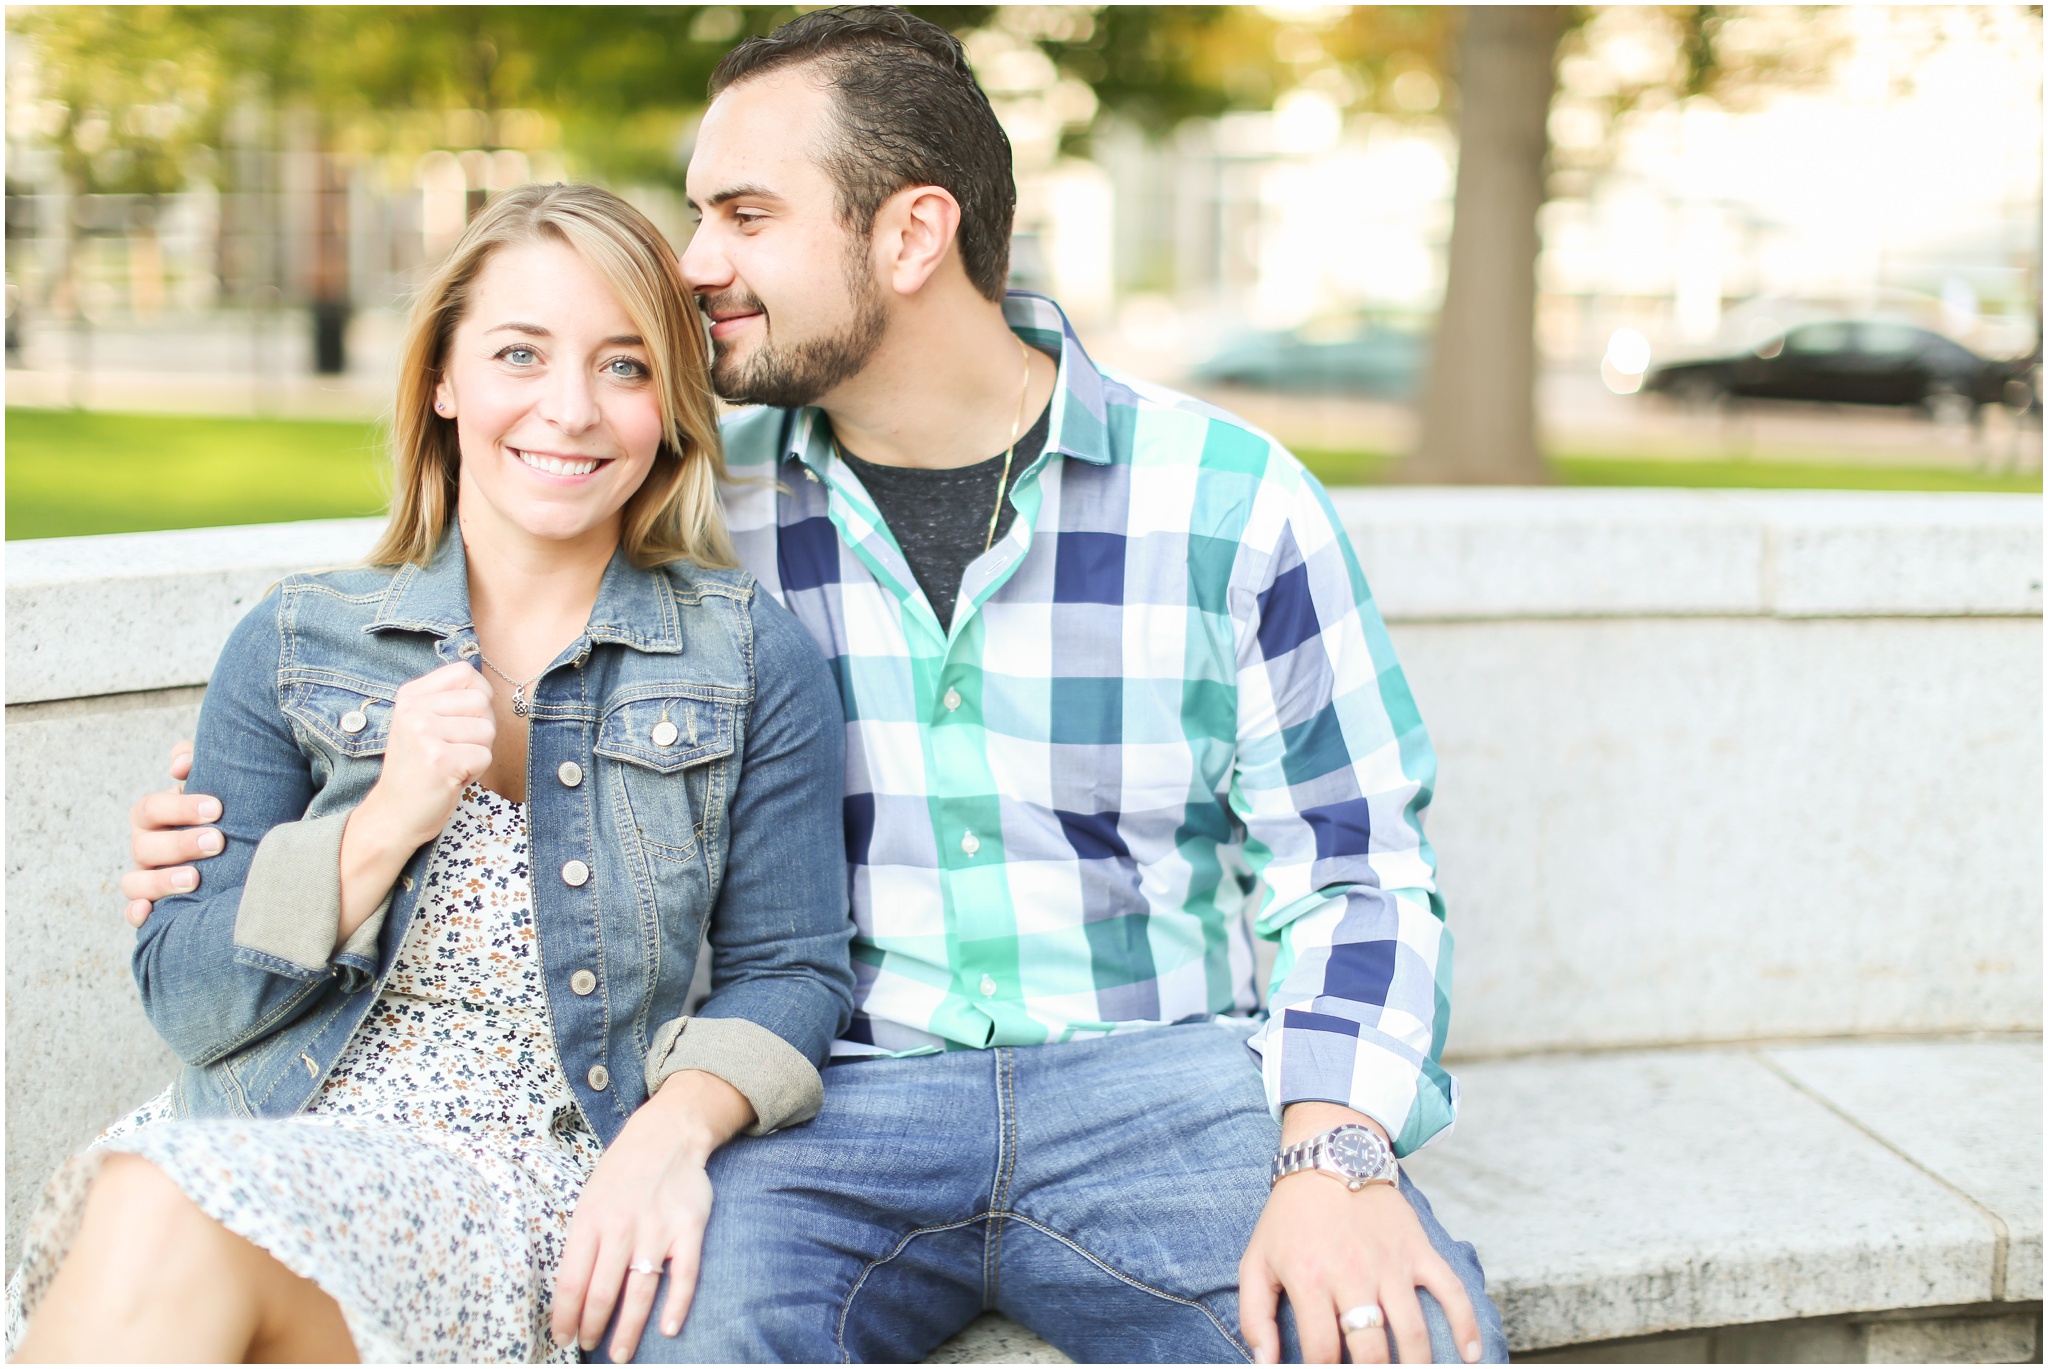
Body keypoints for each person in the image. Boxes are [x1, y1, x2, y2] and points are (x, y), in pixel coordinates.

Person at [119, 8, 1511, 1364]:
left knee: (1393, 1338)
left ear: (910, 235)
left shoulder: (1227, 501)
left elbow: (1354, 866)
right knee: (668, 1333)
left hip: (1161, 1089)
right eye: (698, 213)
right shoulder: (678, 501)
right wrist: (269, 848)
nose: (697, 261)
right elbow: (472, 627)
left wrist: (1334, 1152)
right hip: (822, 1108)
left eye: (745, 215)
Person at [17, 183, 854, 1363]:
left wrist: (672, 1134)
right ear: (443, 380)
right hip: (268, 1137)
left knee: (159, 1208)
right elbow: (194, 1005)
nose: (569, 410)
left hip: (540, 1187)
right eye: (520, 353)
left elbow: (792, 971)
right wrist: (378, 829)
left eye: (624, 367)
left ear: (670, 405)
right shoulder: (296, 640)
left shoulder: (749, 655)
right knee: (154, 1196)